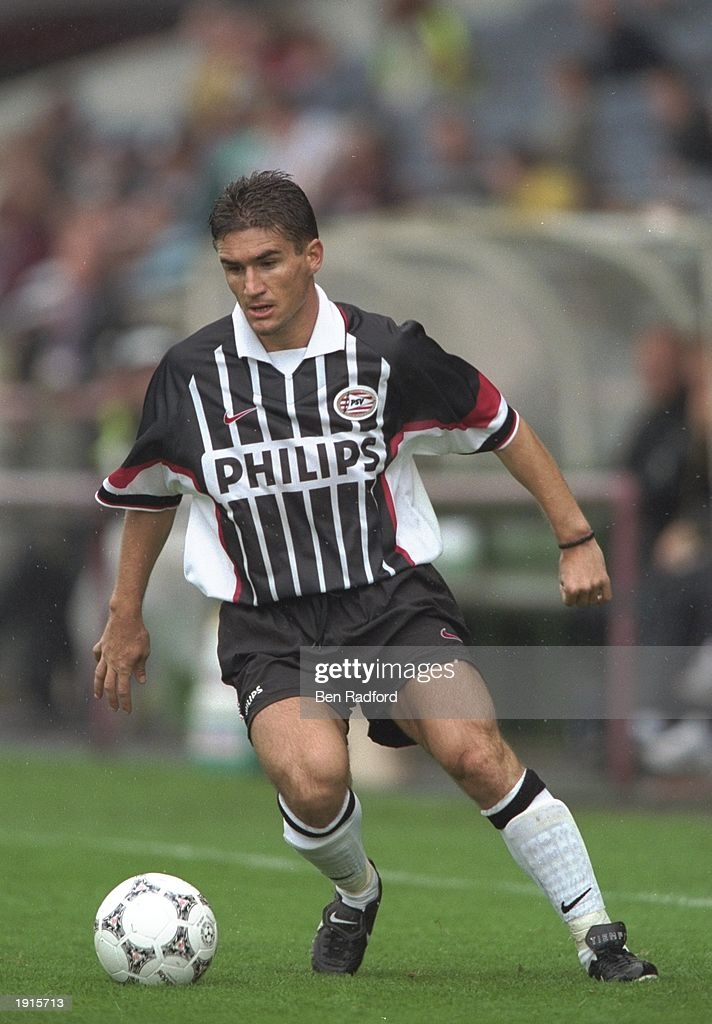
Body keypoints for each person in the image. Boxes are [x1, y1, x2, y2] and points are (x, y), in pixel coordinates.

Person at [93, 170, 657, 983]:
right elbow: (152, 490)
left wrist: (575, 536)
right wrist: (126, 614)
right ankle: (357, 892)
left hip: (389, 607)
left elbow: (500, 421)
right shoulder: (190, 373)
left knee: (473, 751)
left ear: (312, 255)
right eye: (233, 268)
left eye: (269, 262)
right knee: (314, 783)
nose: (251, 285)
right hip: (272, 625)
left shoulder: (386, 353)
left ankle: (598, 934)